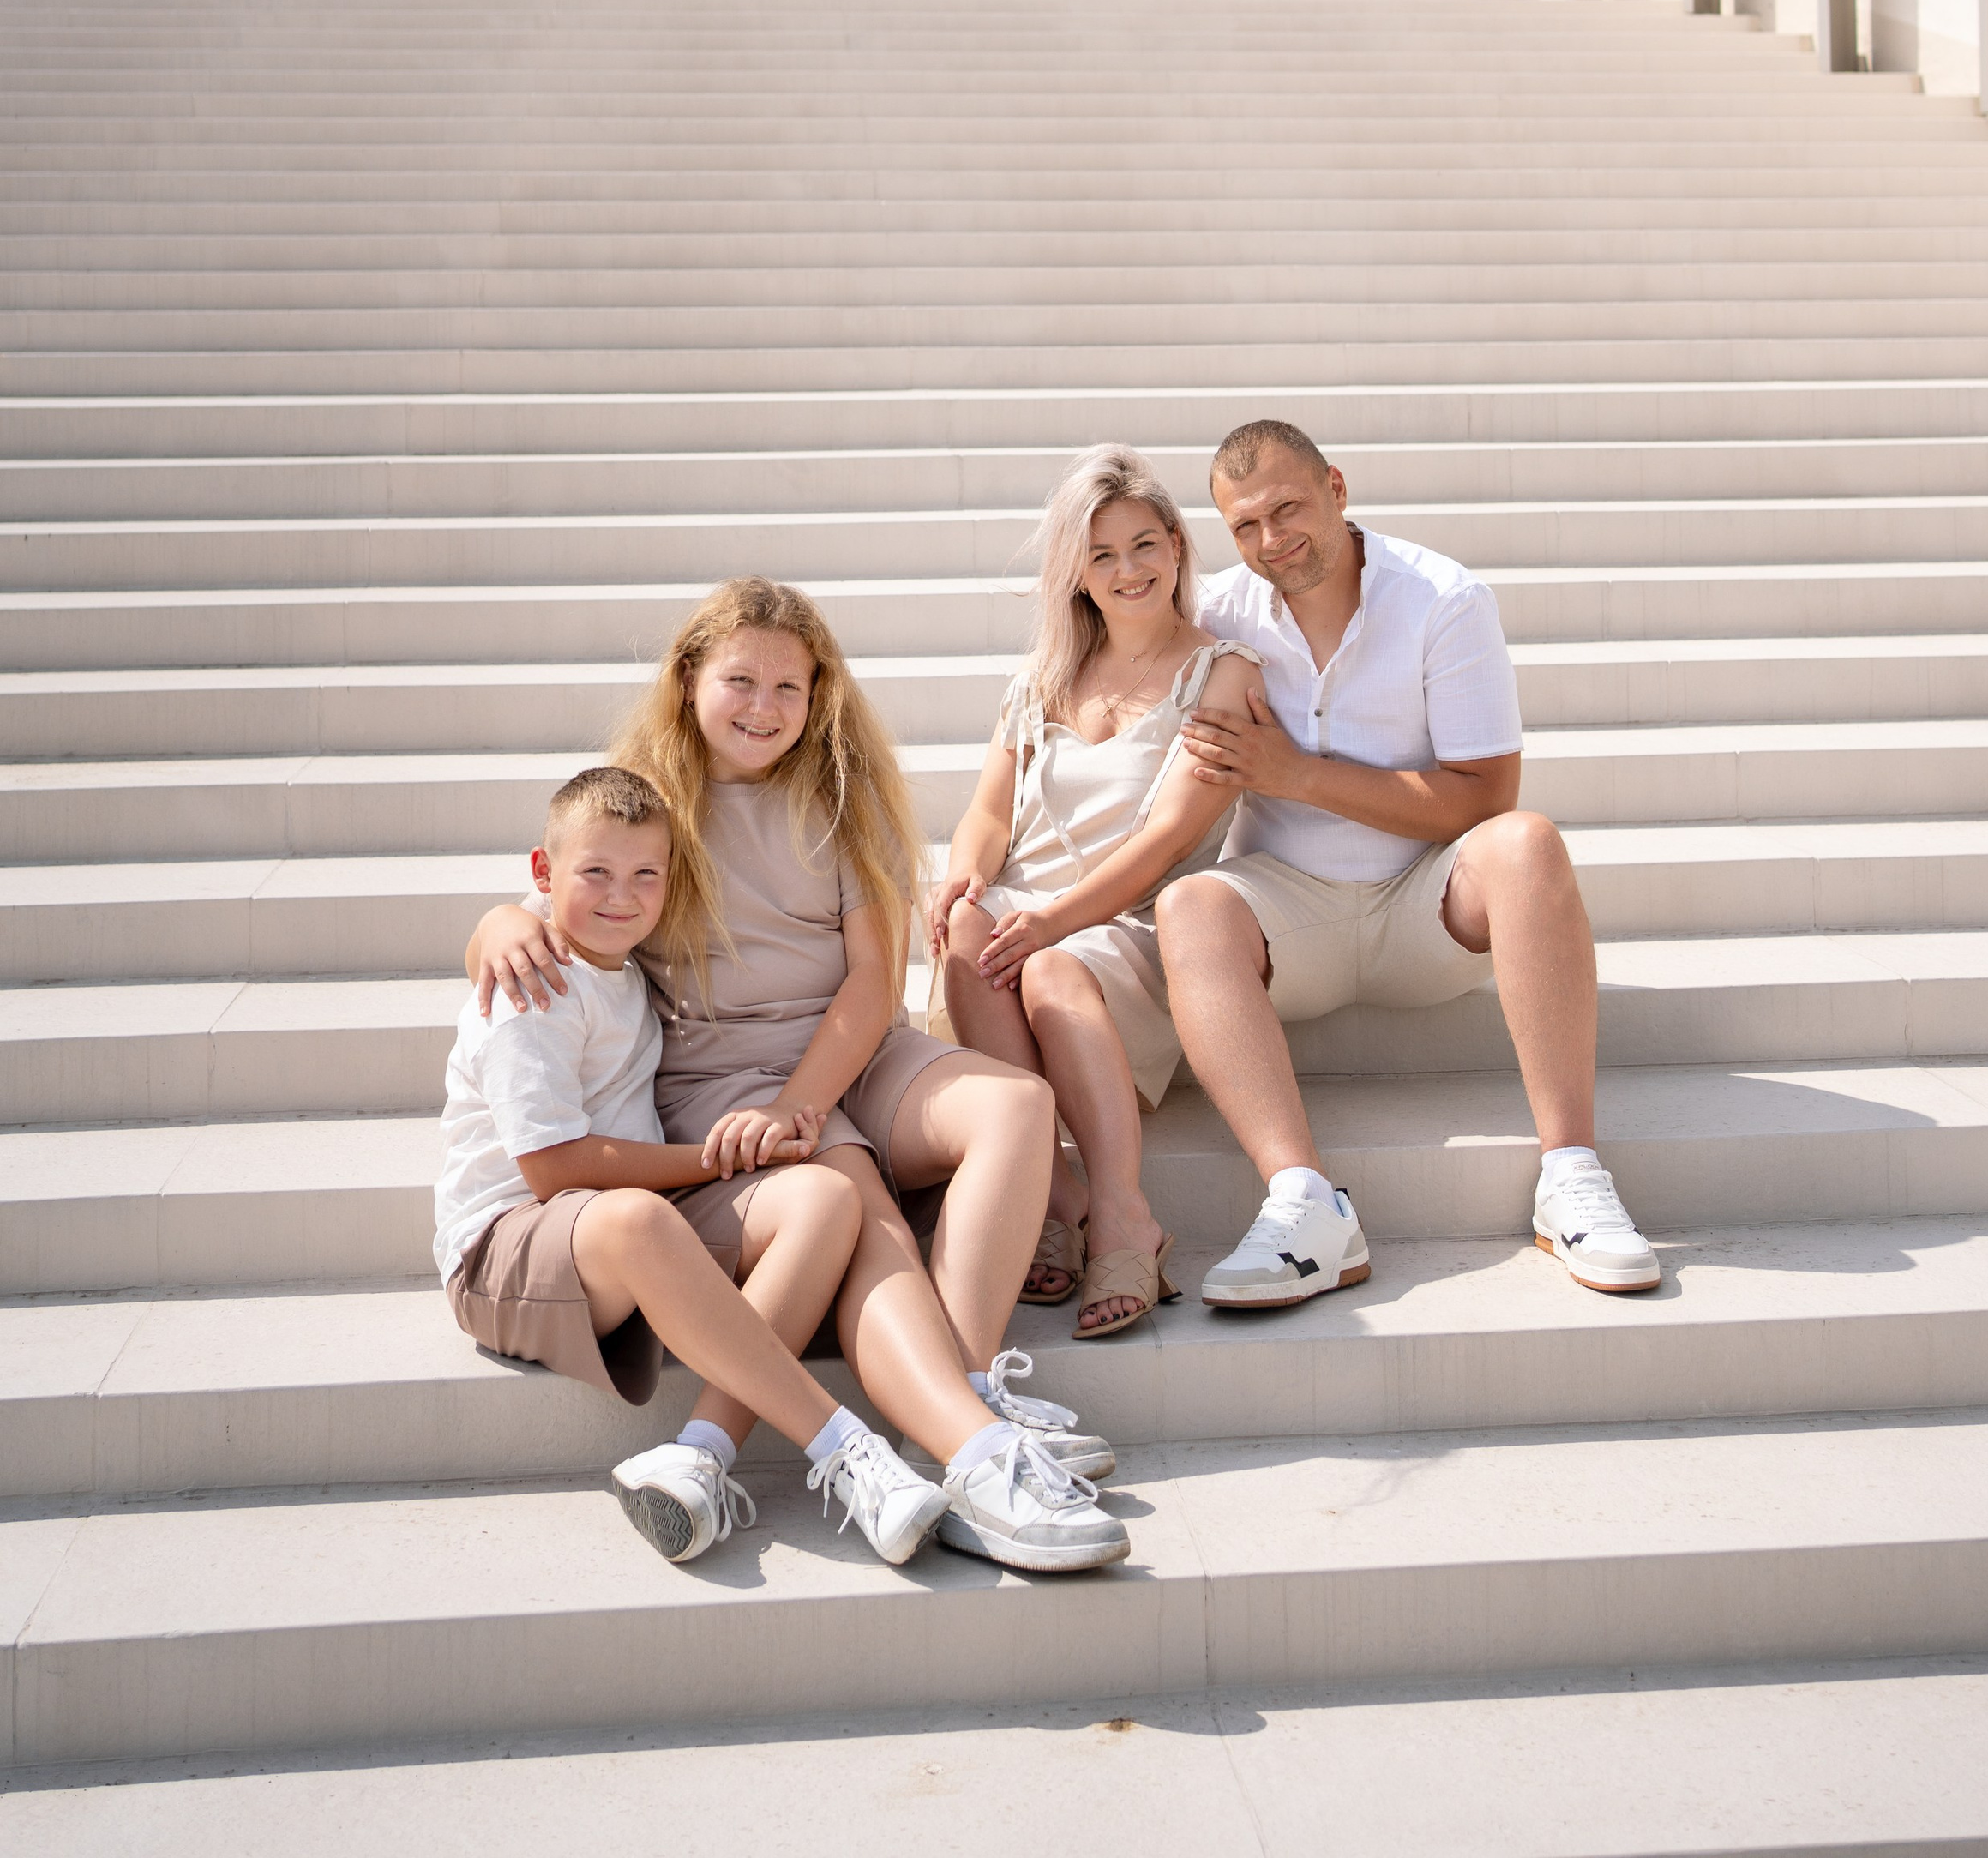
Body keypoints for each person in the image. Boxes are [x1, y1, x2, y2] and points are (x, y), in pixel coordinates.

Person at [464, 579, 1129, 1573]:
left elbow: (871, 982)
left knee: (1017, 1106)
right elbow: (566, 894)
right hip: (716, 1069)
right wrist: (498, 922)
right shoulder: (651, 792)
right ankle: (971, 1452)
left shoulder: (842, 791)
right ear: (689, 680)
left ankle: (967, 1391)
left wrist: (804, 1103)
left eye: (790, 685)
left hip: (847, 1050)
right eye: (740, 680)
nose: (764, 707)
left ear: (820, 694)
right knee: (854, 1200)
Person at [1156, 419, 1660, 1307]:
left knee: (1528, 841)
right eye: (1244, 526)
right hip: (1290, 917)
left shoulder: (1442, 598)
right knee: (1191, 906)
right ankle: (1304, 1202)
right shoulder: (1217, 617)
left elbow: (1482, 797)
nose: (1270, 540)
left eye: (1287, 508)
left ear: (1337, 489)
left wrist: (1300, 776)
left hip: (1423, 907)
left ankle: (1571, 1175)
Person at [435, 760, 952, 1569]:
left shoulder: (632, 967)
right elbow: (551, 1172)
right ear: (544, 874)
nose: (621, 895)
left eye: (647, 875)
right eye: (595, 873)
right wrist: (709, 1164)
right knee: (640, 1216)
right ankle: (848, 1451)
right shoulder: (532, 982)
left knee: (821, 1196)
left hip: (616, 1230)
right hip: (506, 1251)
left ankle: (701, 1454)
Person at [930, 448, 1261, 1338]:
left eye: (1146, 545)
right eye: (1103, 554)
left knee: (1046, 968)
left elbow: (1169, 841)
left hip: (1136, 925)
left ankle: (1120, 1214)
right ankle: (1053, 1190)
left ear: (1178, 551)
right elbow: (986, 816)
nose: (1129, 571)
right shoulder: (1038, 679)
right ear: (1075, 572)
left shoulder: (1222, 674)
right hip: (1029, 917)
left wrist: (1050, 921)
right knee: (967, 930)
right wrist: (964, 872)